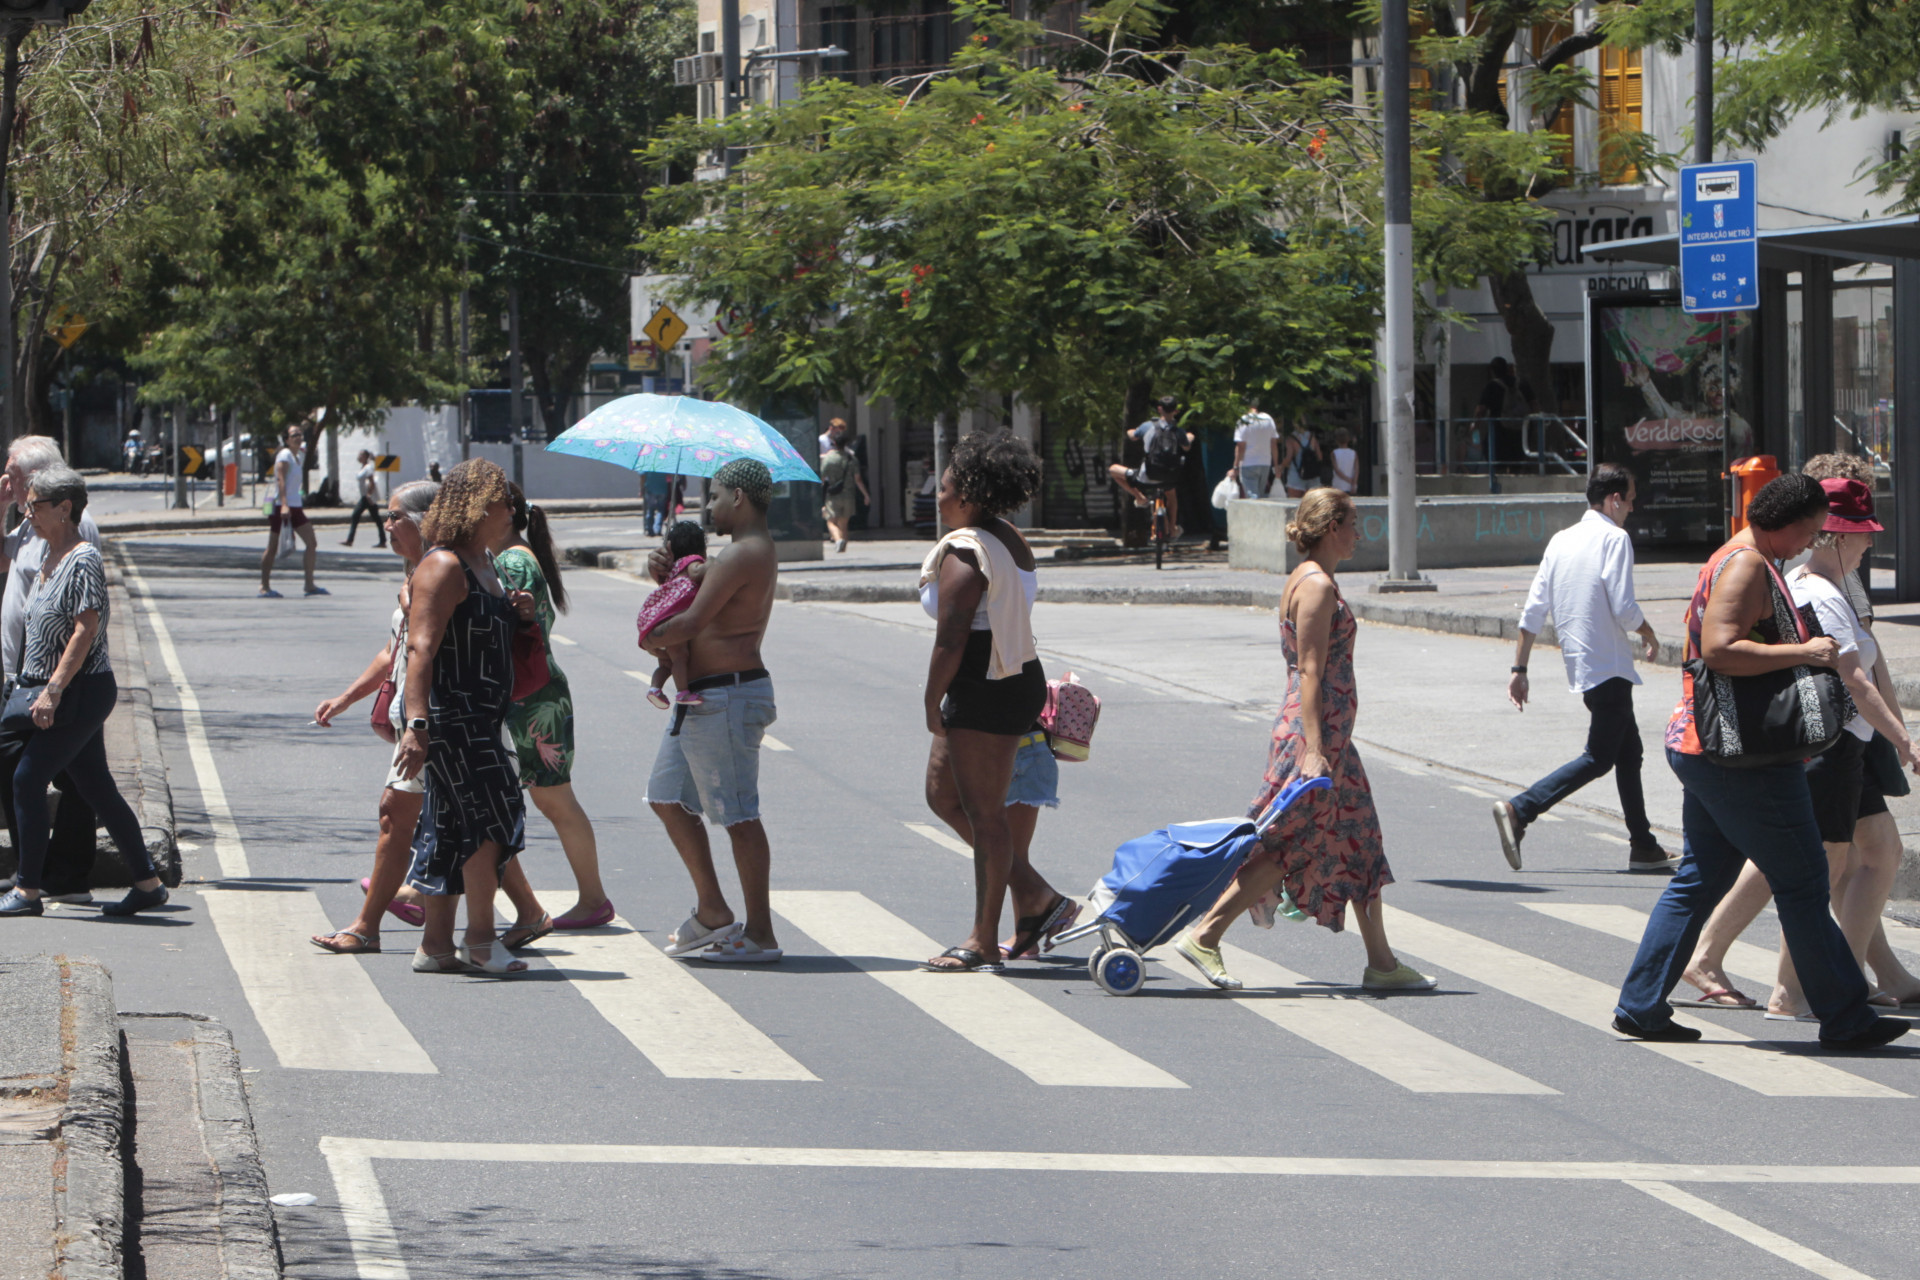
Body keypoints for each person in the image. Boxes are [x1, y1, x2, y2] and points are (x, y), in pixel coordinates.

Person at [1611, 473, 1906, 1051]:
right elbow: (1720, 650)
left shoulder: (1743, 556)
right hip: (1739, 756)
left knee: (1701, 878)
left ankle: (1641, 1005)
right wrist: (1806, 651)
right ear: (1787, 522)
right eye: (1810, 531)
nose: (1812, 543)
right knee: (1804, 879)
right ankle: (1846, 1016)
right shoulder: (1747, 563)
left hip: (1709, 746)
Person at [1174, 488, 1435, 992]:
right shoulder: (1315, 586)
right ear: (1332, 527)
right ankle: (1205, 935)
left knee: (1362, 840)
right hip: (1314, 739)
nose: (1359, 533)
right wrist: (1314, 749)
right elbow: (1311, 671)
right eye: (1353, 523)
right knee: (1289, 842)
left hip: (1331, 739)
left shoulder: (1313, 579)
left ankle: (1381, 964)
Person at [1678, 477, 1918, 1013]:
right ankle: (1791, 988)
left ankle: (1867, 974)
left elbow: (1870, 662)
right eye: (1863, 533)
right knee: (1813, 867)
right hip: (1829, 744)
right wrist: (1903, 739)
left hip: (1846, 744)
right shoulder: (1809, 588)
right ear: (1836, 535)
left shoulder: (1832, 585)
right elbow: (1854, 676)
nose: (1870, 543)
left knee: (1868, 855)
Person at [917, 433, 1064, 972]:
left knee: (984, 814)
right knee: (943, 796)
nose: (937, 496)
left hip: (985, 683)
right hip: (1010, 675)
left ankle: (982, 939)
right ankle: (1037, 896)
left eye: (945, 487)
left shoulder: (966, 551)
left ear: (970, 494)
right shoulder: (1008, 536)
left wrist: (931, 700)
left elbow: (951, 639)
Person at [0, 468, 169, 918]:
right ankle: (148, 883)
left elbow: (85, 629)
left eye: (35, 506)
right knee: (96, 788)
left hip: (79, 691)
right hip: (55, 690)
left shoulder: (83, 558)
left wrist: (53, 690)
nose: (27, 513)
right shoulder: (48, 555)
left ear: (64, 508)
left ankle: (28, 890)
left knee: (27, 779)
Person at [1493, 464, 1672, 872]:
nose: (1632, 508)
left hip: (1583, 666)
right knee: (1599, 757)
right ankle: (1521, 809)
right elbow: (1624, 607)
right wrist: (1649, 633)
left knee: (1629, 753)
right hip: (1609, 666)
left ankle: (1643, 845)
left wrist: (1519, 669)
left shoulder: (1561, 540)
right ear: (1614, 500)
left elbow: (1533, 610)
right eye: (1630, 500)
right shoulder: (1615, 538)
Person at [396, 459, 538, 975]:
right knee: (492, 819)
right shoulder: (444, 565)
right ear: (477, 505)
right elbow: (420, 648)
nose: (512, 510)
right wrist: (417, 725)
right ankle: (480, 938)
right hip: (453, 718)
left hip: (482, 718)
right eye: (503, 501)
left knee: (452, 826)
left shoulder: (487, 562)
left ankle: (436, 945)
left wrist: (519, 615)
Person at [640, 458, 784, 964]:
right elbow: (691, 605)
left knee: (739, 816)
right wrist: (668, 579)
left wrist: (649, 635)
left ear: (739, 497)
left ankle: (761, 933)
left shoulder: (744, 553)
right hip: (702, 697)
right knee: (666, 797)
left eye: (716, 497)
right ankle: (713, 911)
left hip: (726, 696)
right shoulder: (732, 556)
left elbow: (690, 623)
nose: (709, 508)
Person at [310, 480, 440, 954]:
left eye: (395, 517)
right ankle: (523, 913)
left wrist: (418, 725)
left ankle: (369, 927)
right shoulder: (416, 572)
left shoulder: (440, 572)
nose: (386, 526)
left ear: (424, 522)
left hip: (433, 721)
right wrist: (346, 698)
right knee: (447, 821)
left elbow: (425, 650)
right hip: (416, 721)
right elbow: (393, 651)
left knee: (399, 816)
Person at [493, 483, 614, 935]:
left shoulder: (513, 561)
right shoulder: (515, 556)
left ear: (506, 512)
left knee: (556, 798)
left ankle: (594, 899)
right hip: (532, 692)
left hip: (534, 696)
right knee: (551, 797)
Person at [0, 437, 102, 905]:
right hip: (22, 672)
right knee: (28, 769)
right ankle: (36, 870)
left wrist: (58, 684)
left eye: (14, 475)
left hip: (55, 675)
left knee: (72, 778)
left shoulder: (74, 530)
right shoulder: (31, 521)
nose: (8, 482)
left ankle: (60, 875)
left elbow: (84, 618)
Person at [638, 520, 707, 709]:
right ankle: (682, 692)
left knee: (665, 664)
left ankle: (655, 688)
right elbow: (697, 573)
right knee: (680, 657)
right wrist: (714, 566)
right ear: (702, 549)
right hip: (674, 619)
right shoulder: (693, 561)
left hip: (659, 618)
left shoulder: (672, 570)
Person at [1107, 395, 1194, 536]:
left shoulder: (1147, 426)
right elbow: (1186, 447)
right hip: (1170, 479)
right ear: (1176, 411)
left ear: (1159, 409)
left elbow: (1133, 436)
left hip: (1146, 477)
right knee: (1171, 496)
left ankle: (1140, 498)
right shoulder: (1178, 431)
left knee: (1113, 470)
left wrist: (1130, 431)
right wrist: (1190, 437)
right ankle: (1172, 528)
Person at [260, 422, 323, 598]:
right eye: (294, 435)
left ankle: (309, 585)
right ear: (287, 440)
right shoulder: (285, 455)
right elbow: (280, 480)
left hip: (296, 506)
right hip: (282, 506)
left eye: (299, 434)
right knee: (272, 547)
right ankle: (264, 586)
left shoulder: (297, 456)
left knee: (311, 542)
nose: (298, 437)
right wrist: (284, 504)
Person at [820, 420, 870, 553]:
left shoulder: (829, 459)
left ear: (834, 444)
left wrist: (818, 491)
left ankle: (838, 540)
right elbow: (858, 479)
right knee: (843, 522)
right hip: (849, 494)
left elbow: (822, 478)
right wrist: (865, 495)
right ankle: (843, 546)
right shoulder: (852, 459)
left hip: (833, 494)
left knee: (831, 521)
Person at [1231, 399, 1279, 500]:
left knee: (1253, 497)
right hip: (1265, 463)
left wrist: (1235, 467)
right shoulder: (1268, 419)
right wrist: (1276, 465)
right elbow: (1274, 444)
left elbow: (1241, 447)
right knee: (1260, 495)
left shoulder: (1243, 420)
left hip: (1248, 463)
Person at [342, 450, 386, 548]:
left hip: (367, 497)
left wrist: (369, 495)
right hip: (365, 497)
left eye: (361, 455)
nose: (359, 456)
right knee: (376, 519)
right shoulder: (363, 467)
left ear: (366, 457)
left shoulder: (368, 468)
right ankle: (383, 540)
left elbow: (372, 482)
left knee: (356, 515)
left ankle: (350, 540)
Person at [1279, 419, 1322, 498]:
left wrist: (1281, 467)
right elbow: (1320, 457)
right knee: (1313, 502)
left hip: (1296, 475)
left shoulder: (1291, 439)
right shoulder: (1312, 437)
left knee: (1294, 501)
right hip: (1313, 475)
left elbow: (1288, 458)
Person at [642, 470, 675, 537]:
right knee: (661, 510)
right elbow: (670, 476)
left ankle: (649, 529)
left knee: (650, 510)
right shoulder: (663, 466)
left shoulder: (648, 466)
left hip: (650, 489)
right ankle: (657, 529)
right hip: (662, 489)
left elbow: (642, 476)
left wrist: (641, 488)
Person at [1329, 427, 1358, 495]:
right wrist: (1354, 482)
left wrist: (1348, 480)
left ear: (1336, 440)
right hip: (1350, 486)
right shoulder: (1354, 453)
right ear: (1348, 439)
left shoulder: (1334, 453)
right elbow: (1356, 470)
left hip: (1338, 485)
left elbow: (1337, 470)